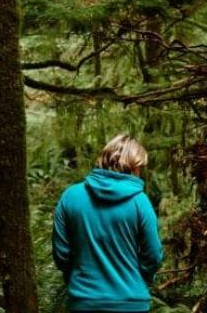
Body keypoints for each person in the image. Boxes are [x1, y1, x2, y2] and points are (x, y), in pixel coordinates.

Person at [52, 134, 164, 313]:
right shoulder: (140, 202)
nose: (140, 173)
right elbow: (153, 255)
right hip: (131, 302)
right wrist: (137, 279)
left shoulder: (70, 197)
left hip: (83, 301)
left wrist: (78, 278)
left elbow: (61, 254)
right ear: (132, 166)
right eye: (139, 168)